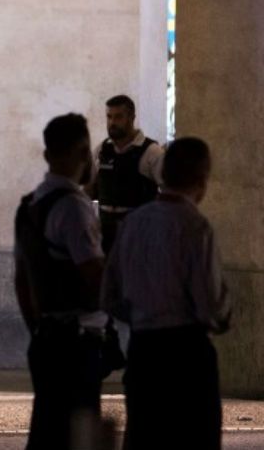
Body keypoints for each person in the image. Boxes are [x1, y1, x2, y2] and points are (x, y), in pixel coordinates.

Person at [102, 137, 231, 450]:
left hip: (144, 350)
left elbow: (109, 294)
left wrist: (141, 314)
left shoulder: (133, 223)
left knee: (146, 437)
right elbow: (209, 304)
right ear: (202, 179)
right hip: (186, 354)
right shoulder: (195, 226)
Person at [14, 113, 107, 449]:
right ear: (83, 152)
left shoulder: (29, 207)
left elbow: (22, 280)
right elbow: (93, 273)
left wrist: (37, 328)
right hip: (78, 339)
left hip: (46, 337)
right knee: (80, 436)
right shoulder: (74, 208)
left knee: (48, 433)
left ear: (46, 154)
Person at [88, 95, 164, 253]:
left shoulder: (152, 152)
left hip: (140, 235)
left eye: (118, 117)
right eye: (109, 117)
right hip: (106, 234)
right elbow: (88, 188)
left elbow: (169, 192)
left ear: (132, 117)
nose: (112, 123)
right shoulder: (102, 150)